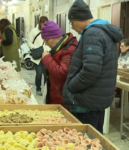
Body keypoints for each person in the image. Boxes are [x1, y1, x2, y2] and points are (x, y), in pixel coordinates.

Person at [62, 0, 123, 133]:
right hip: (95, 100)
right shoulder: (103, 32)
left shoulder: (92, 34)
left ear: (79, 18)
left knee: (86, 142)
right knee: (95, 138)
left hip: (87, 103)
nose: (71, 26)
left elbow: (90, 70)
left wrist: (71, 85)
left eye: (71, 22)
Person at [41, 21, 77, 105]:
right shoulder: (58, 49)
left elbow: (62, 73)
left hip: (63, 99)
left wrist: (47, 58)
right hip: (56, 96)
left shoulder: (69, 49)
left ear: (54, 36)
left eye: (46, 40)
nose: (46, 44)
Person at [28, 16, 50, 96]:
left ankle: (46, 90)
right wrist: (35, 48)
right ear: (39, 23)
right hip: (37, 57)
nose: (44, 24)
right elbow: (29, 42)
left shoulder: (49, 31)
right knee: (39, 73)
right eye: (42, 22)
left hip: (46, 55)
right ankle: (38, 88)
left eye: (46, 23)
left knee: (46, 74)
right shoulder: (34, 31)